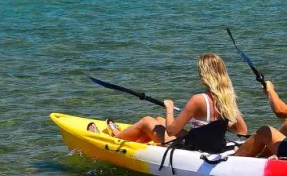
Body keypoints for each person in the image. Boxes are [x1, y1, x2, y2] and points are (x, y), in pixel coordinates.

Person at [100, 54, 248, 145]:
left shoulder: (198, 100)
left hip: (192, 147)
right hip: (212, 144)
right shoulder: (227, 100)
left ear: (205, 75)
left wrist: (169, 108)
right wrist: (224, 116)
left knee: (147, 121)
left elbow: (171, 131)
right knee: (159, 120)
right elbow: (242, 130)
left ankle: (117, 137)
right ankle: (136, 143)